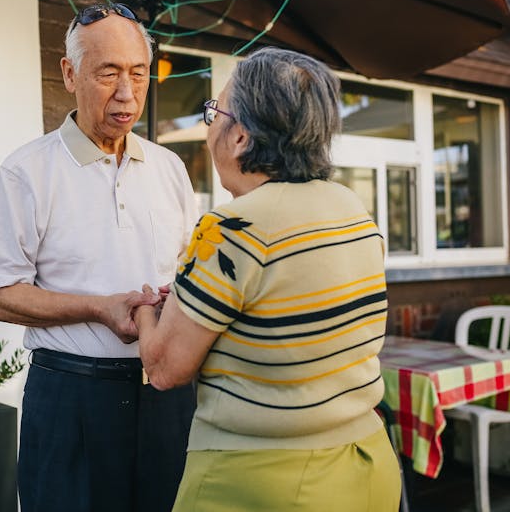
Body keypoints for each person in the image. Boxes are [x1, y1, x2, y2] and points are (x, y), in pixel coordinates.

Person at [133, 47, 401, 511]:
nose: (209, 126)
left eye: (214, 112)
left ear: (240, 137)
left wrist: (145, 309)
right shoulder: (352, 209)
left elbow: (164, 368)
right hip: (367, 465)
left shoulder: (232, 229)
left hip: (264, 481)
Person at [0, 3, 198, 512]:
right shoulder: (27, 171)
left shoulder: (169, 168)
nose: (127, 92)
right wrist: (100, 307)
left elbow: (188, 272)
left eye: (138, 74)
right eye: (109, 73)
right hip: (70, 399)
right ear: (69, 73)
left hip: (167, 397)